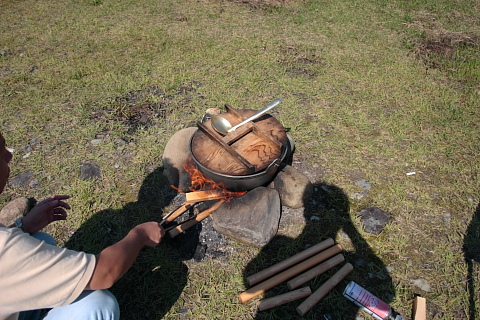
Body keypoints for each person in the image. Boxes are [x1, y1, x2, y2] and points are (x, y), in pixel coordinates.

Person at [0, 132, 166, 320]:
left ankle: (45, 298)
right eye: (0, 151)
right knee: (99, 306)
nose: (9, 155)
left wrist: (22, 227)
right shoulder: (5, 248)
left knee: (39, 239)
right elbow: (104, 273)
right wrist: (140, 235)